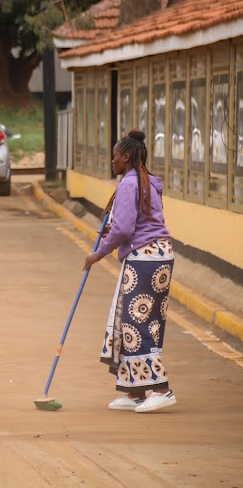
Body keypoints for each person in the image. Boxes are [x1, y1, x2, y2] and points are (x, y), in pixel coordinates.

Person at [83, 130, 176, 413]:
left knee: (137, 323)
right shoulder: (146, 182)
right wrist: (115, 233)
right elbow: (134, 223)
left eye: (114, 156)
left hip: (144, 258)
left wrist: (98, 253)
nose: (112, 161)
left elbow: (124, 229)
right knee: (136, 322)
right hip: (159, 255)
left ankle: (161, 389)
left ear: (126, 157)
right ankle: (135, 391)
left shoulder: (128, 184)